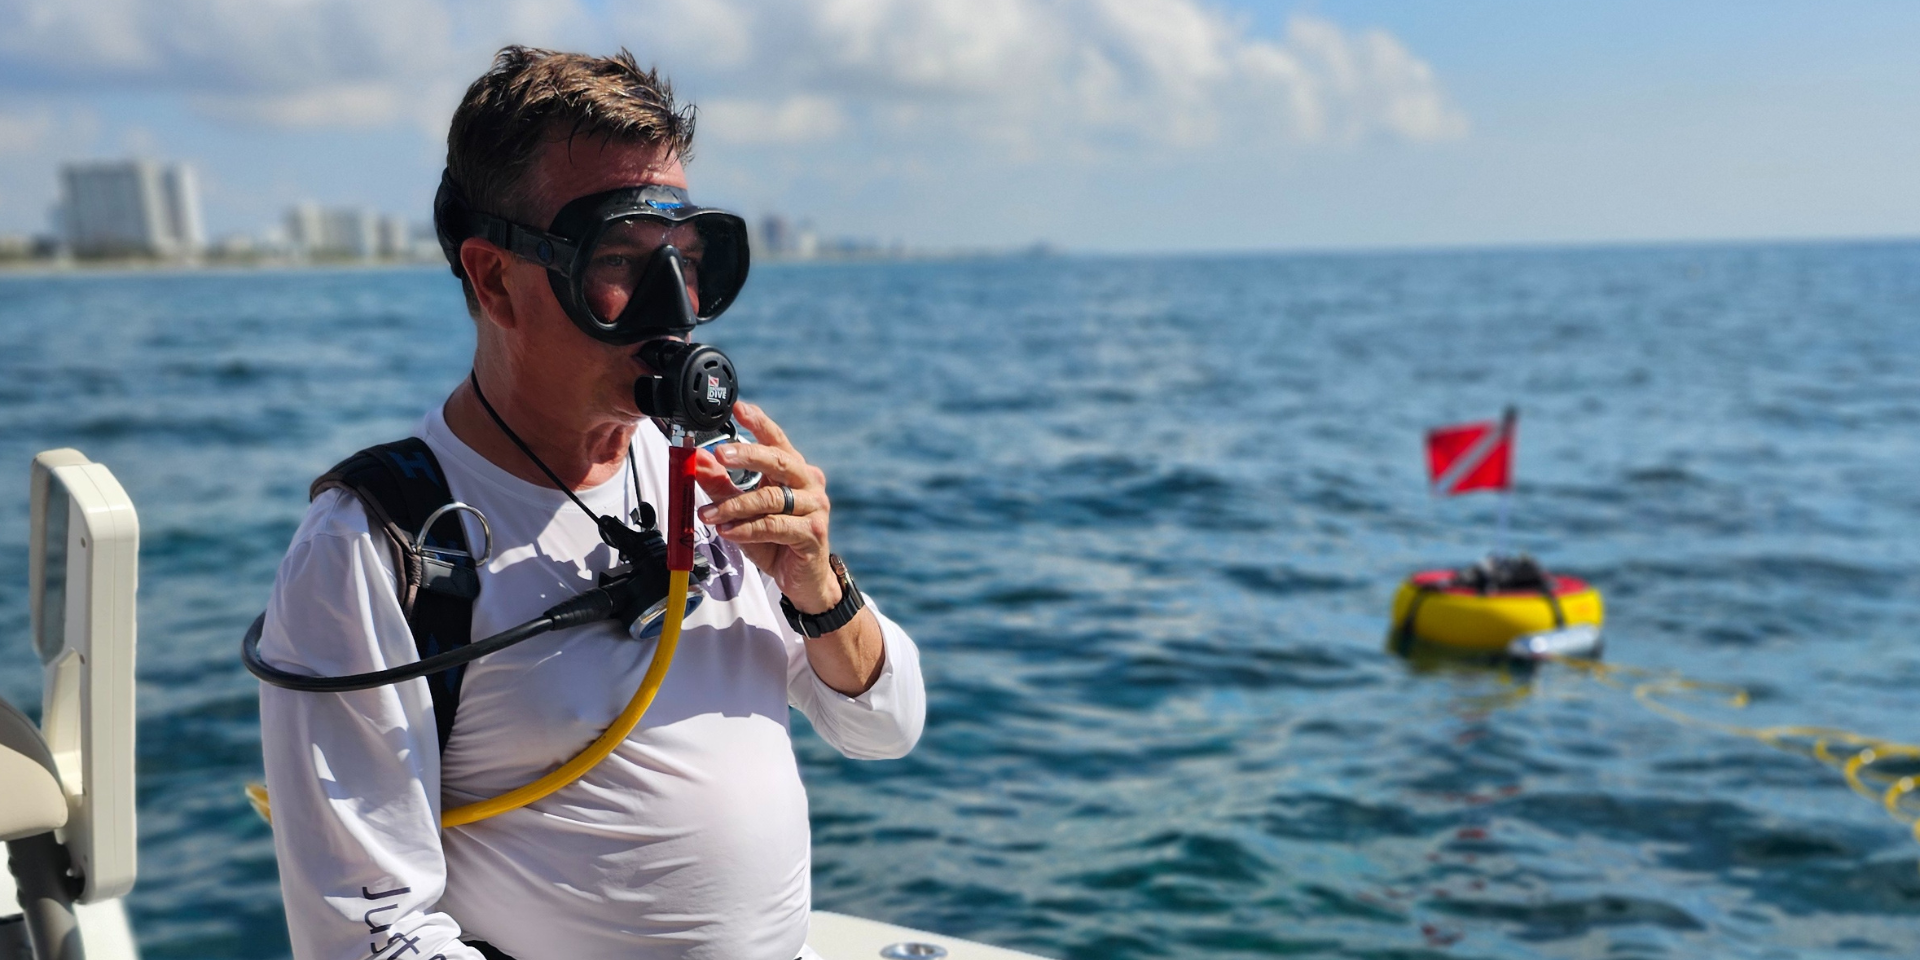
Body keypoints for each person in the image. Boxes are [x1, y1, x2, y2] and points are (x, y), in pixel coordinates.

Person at [256, 47, 925, 960]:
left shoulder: (711, 472)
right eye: (620, 258)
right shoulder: (379, 548)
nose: (674, 309)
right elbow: (369, 935)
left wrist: (818, 584)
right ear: (495, 281)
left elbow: (885, 726)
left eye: (688, 261)